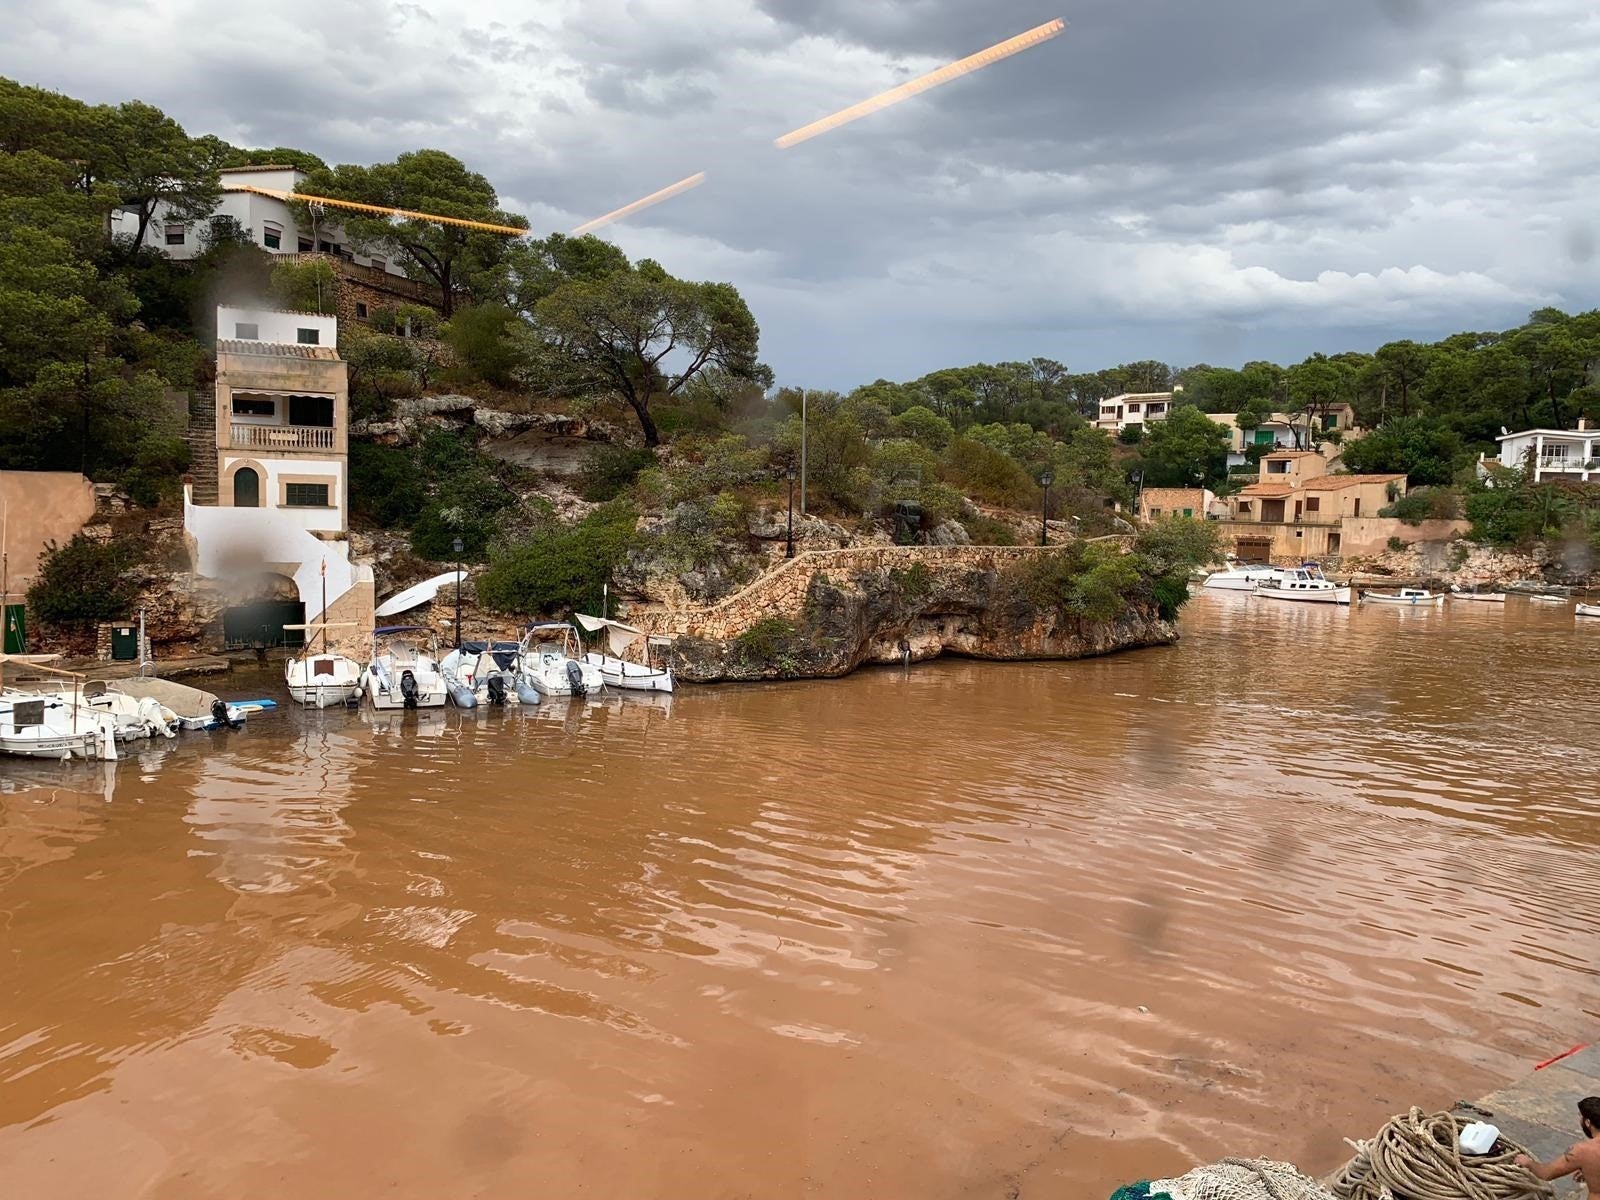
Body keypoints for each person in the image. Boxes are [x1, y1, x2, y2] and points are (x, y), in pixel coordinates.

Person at [1514, 1097, 1600, 1199]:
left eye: (1580, 1117)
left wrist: (1528, 1162)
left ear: (1588, 1122)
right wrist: (1589, 1171)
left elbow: (1546, 1174)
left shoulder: (1582, 1150)